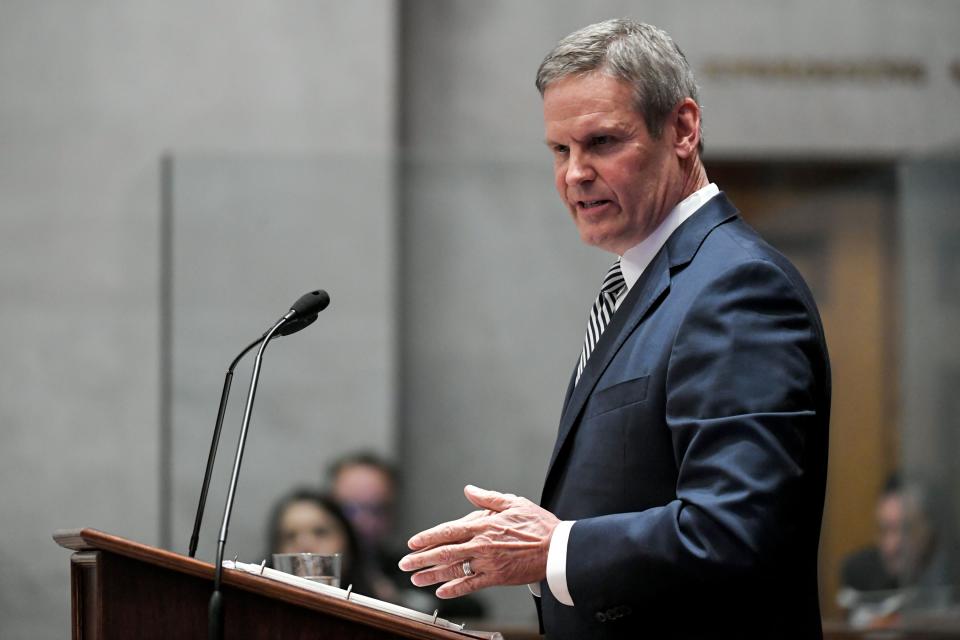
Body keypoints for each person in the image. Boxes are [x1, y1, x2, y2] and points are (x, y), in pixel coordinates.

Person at [398, 18, 831, 639]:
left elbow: (735, 529)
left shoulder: (736, 288)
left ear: (683, 129)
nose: (575, 173)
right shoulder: (652, 282)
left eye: (601, 142)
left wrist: (555, 549)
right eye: (559, 150)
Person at [839, 473, 954, 627]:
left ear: (930, 530)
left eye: (906, 530)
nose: (891, 545)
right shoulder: (859, 572)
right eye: (884, 530)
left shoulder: (953, 572)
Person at [266, 487, 375, 597]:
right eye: (290, 536)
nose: (305, 545)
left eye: (320, 532)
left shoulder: (381, 607)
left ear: (348, 543)